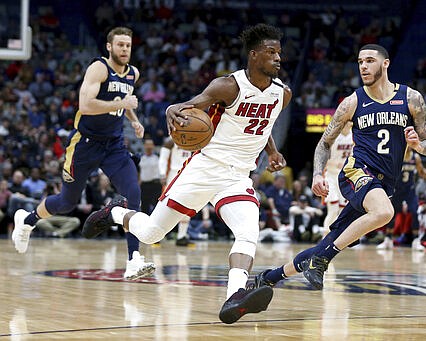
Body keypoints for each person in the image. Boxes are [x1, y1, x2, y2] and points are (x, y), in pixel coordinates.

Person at [82, 23, 291, 324]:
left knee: (248, 233)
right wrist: (171, 110)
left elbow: (264, 125)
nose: (277, 58)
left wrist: (271, 151)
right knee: (153, 233)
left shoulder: (282, 94)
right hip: (204, 167)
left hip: (237, 176)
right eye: (271, 53)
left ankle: (235, 296)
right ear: (254, 55)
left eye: (279, 53)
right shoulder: (228, 86)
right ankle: (116, 213)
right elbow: (186, 107)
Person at [254, 43, 426, 291]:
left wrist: (417, 145)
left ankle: (270, 277)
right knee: (384, 213)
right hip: (357, 172)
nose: (363, 66)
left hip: (385, 182)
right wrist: (318, 173)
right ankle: (322, 260)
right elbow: (324, 143)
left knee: (332, 239)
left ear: (385, 64)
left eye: (370, 60)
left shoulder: (411, 98)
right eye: (360, 61)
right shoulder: (352, 102)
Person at [11, 27, 155, 280]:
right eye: (120, 45)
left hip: (114, 145)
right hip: (84, 144)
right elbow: (86, 106)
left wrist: (133, 120)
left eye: (128, 45)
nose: (125, 50)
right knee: (67, 203)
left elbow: (126, 97)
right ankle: (27, 220)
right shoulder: (98, 68)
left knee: (133, 193)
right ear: (109, 47)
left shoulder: (133, 73)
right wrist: (123, 105)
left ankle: (134, 259)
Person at [377, 147, 426, 249]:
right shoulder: (396, 156)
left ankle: (416, 240)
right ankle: (388, 239)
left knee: (414, 211)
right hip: (397, 189)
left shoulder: (415, 157)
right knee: (392, 213)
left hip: (410, 190)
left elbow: (421, 171)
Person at [158, 136, 193, 246]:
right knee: (165, 204)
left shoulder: (193, 139)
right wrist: (162, 174)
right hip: (172, 176)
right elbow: (163, 159)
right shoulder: (170, 141)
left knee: (187, 204)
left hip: (187, 175)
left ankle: (181, 236)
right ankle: (157, 234)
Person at [322, 121, 353, 233]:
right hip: (331, 175)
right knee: (333, 209)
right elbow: (323, 158)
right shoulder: (334, 136)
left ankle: (337, 236)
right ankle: (325, 235)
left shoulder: (354, 136)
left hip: (345, 176)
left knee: (342, 210)